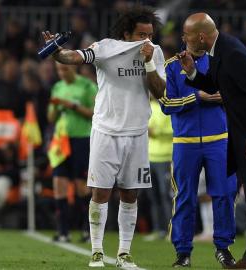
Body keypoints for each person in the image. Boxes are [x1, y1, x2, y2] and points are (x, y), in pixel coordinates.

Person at [41, 6, 166, 268]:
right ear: (126, 33)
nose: (147, 40)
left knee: (131, 194)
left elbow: (159, 91)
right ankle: (96, 251)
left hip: (137, 132)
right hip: (106, 131)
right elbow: (71, 58)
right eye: (141, 34)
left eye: (150, 35)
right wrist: (55, 49)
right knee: (100, 191)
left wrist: (149, 61)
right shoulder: (106, 48)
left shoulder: (155, 53)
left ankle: (124, 253)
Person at [177, 13, 246, 270]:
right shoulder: (221, 50)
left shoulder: (233, 53)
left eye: (187, 35)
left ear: (201, 36)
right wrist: (192, 72)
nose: (184, 40)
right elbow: (216, 83)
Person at [160, 47, 237, 268]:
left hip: (219, 140)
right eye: (195, 33)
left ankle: (223, 248)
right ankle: (183, 252)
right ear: (186, 37)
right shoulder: (171, 66)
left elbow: (233, 95)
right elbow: (166, 104)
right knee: (185, 196)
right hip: (185, 142)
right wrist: (198, 97)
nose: (201, 38)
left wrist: (225, 96)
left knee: (225, 193)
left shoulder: (220, 62)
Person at [47, 62, 97, 242]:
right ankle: (63, 231)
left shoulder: (87, 86)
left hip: (82, 139)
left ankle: (88, 230)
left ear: (73, 67)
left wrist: (72, 106)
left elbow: (95, 113)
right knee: (59, 184)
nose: (62, 73)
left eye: (65, 69)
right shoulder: (57, 87)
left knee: (81, 186)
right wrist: (56, 107)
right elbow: (50, 117)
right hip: (61, 141)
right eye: (59, 69)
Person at [143, 97, 173, 241]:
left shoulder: (167, 106)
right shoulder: (147, 106)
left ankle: (171, 230)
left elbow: (173, 130)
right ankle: (158, 229)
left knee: (166, 195)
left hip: (165, 157)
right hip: (148, 157)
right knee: (153, 196)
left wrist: (155, 131)